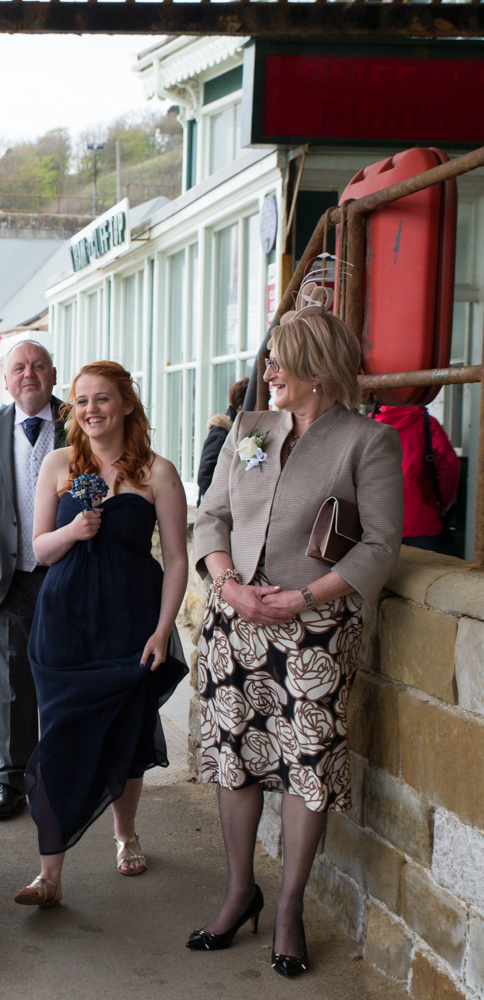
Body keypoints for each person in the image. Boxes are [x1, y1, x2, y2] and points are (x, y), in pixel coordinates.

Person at [191, 304, 402, 977]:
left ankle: (287, 907)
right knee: (237, 758)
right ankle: (237, 893)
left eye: (283, 359)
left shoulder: (367, 442)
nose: (270, 370)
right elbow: (211, 515)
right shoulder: (249, 429)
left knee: (307, 766)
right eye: (269, 358)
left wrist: (303, 597)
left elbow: (380, 545)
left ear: (319, 368)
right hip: (236, 624)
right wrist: (227, 586)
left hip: (313, 634)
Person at [13, 361, 188, 906]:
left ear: (127, 405)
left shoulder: (157, 472)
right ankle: (50, 873)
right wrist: (72, 529)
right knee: (60, 736)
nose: (91, 410)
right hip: (64, 621)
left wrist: (163, 630)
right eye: (82, 401)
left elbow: (179, 560)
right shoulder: (59, 464)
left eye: (102, 399)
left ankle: (125, 832)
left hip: (130, 621)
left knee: (126, 732)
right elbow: (39, 548)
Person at [0, 340, 63, 820]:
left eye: (37, 366)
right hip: (8, 576)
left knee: (65, 678)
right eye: (18, 367)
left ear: (53, 374)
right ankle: (11, 782)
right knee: (10, 686)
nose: (28, 374)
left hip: (67, 574)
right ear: (5, 379)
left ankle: (65, 777)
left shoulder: (78, 422)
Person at [372, 404, 459, 550]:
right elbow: (449, 467)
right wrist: (438, 503)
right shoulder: (426, 422)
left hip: (375, 522)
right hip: (421, 520)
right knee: (428, 571)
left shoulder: (369, 423)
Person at [196, 379, 249, 506]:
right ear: (241, 404)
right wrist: (215, 505)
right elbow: (205, 472)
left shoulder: (237, 429)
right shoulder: (221, 432)